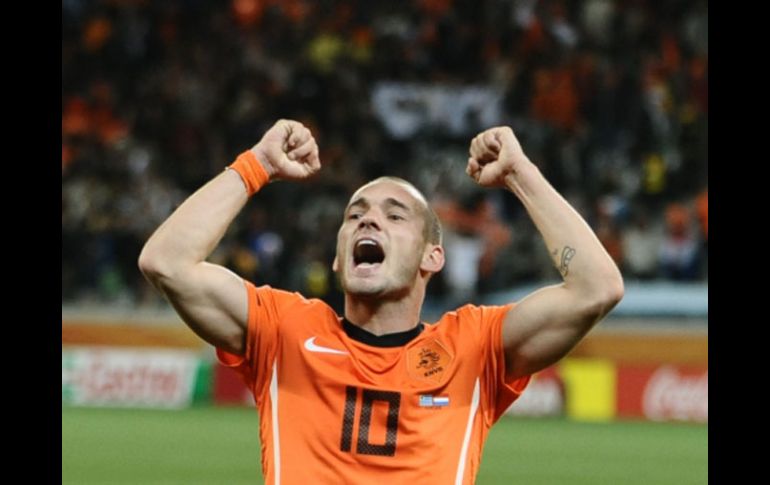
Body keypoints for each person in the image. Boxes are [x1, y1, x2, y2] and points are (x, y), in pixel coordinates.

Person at [139, 119, 623, 484]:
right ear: (337, 258)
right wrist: (257, 164)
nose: (368, 222)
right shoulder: (283, 332)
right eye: (355, 215)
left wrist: (521, 174)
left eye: (395, 216)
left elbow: (596, 288)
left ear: (433, 257)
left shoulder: (475, 348)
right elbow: (166, 261)